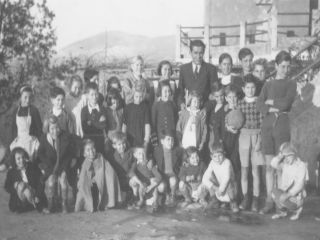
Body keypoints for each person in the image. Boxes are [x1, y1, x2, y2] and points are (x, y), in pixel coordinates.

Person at [257, 51, 297, 214]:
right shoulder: (268, 84)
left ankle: (280, 202)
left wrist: (271, 103)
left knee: (280, 167)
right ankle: (268, 201)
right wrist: (272, 107)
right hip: (267, 127)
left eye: (288, 67)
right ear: (276, 66)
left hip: (282, 127)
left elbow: (286, 104)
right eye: (282, 66)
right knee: (268, 167)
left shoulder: (291, 83)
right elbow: (260, 104)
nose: (285, 70)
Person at [38, 116, 77, 213]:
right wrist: (47, 164)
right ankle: (52, 203)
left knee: (63, 179)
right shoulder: (44, 138)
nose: (55, 131)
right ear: (47, 129)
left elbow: (70, 153)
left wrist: (65, 166)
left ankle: (64, 203)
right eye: (52, 128)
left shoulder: (65, 136)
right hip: (51, 165)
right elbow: (40, 153)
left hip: (63, 164)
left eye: (57, 127)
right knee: (51, 181)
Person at [238, 76, 264, 212]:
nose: (250, 90)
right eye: (247, 87)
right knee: (244, 169)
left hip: (256, 137)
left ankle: (255, 198)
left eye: (253, 87)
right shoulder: (240, 103)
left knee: (255, 170)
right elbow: (234, 119)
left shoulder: (260, 102)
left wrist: (260, 140)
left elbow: (263, 123)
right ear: (243, 89)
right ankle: (245, 197)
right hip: (243, 137)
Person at [75, 139, 122, 212]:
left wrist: (99, 179)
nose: (91, 151)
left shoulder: (101, 158)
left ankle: (107, 202)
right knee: (83, 188)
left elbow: (109, 172)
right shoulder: (85, 163)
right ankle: (89, 204)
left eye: (93, 148)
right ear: (84, 154)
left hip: (101, 185)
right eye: (88, 150)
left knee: (107, 178)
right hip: (91, 186)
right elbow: (82, 179)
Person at [270, 142, 308, 221]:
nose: (286, 159)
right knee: (273, 192)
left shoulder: (301, 165)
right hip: (286, 193)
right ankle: (283, 212)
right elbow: (273, 164)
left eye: (288, 156)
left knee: (286, 199)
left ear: (294, 154)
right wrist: (280, 155)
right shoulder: (285, 165)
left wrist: (288, 195)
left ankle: (297, 210)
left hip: (297, 196)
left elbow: (300, 185)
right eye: (284, 157)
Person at [178, 40, 218, 110]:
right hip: (188, 109)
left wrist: (205, 109)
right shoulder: (183, 69)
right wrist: (181, 103)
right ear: (190, 52)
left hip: (205, 110)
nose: (198, 56)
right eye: (195, 53)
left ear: (204, 52)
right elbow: (180, 91)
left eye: (201, 53)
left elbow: (215, 93)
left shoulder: (211, 69)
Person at [4, 147, 46, 213]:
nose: (21, 160)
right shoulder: (11, 172)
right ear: (14, 160)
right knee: (20, 185)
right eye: (18, 159)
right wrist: (15, 186)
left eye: (23, 157)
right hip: (19, 199)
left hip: (34, 194)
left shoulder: (33, 167)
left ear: (25, 157)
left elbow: (41, 182)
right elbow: (7, 187)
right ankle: (32, 205)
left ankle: (35, 204)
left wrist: (37, 195)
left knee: (25, 189)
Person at [200, 144, 239, 212]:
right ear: (211, 156)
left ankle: (233, 202)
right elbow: (204, 178)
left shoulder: (227, 162)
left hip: (231, 188)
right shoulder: (212, 163)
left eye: (220, 155)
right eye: (215, 156)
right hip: (219, 188)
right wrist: (215, 188)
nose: (217, 159)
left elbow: (226, 178)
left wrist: (220, 190)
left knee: (228, 180)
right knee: (209, 177)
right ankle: (214, 199)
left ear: (224, 154)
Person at [9, 85, 41, 163]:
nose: (27, 100)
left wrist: (35, 136)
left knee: (29, 161)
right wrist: (14, 139)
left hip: (31, 140)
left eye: (30, 97)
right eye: (25, 97)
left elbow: (39, 128)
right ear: (20, 97)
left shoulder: (34, 110)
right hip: (19, 140)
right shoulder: (16, 110)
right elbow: (13, 128)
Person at [153, 129, 183, 206]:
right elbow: (152, 160)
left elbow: (183, 160)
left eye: (172, 140)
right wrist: (151, 161)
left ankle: (172, 196)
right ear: (162, 141)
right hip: (162, 175)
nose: (170, 142)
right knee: (161, 187)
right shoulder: (157, 150)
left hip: (173, 175)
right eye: (168, 139)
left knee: (173, 180)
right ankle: (166, 195)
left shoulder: (177, 150)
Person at [130, 147, 165, 211]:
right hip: (143, 183)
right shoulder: (135, 164)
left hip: (151, 182)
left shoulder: (149, 164)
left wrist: (152, 186)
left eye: (143, 153)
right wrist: (140, 183)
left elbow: (159, 176)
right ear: (135, 155)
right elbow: (131, 172)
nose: (142, 156)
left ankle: (155, 201)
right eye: (139, 154)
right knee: (141, 186)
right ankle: (141, 200)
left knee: (154, 183)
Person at [109, 132, 136, 206]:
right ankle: (124, 196)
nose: (122, 146)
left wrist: (131, 171)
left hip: (128, 177)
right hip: (119, 180)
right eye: (119, 144)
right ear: (114, 146)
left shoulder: (129, 153)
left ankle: (134, 196)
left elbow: (134, 163)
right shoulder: (113, 156)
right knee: (121, 201)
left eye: (123, 143)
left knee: (134, 183)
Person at [81, 82, 108, 153]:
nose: (94, 97)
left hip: (100, 140)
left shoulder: (102, 109)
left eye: (96, 94)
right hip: (88, 141)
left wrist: (91, 123)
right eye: (92, 94)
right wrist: (98, 122)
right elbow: (85, 128)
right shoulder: (84, 110)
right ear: (87, 95)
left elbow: (103, 125)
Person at [123, 85, 151, 149]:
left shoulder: (145, 108)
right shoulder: (127, 108)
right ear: (133, 96)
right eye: (136, 96)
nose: (138, 99)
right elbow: (124, 125)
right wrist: (123, 138)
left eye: (140, 97)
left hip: (141, 138)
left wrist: (146, 140)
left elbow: (147, 125)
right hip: (129, 138)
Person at [105, 88, 124, 154]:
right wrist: (106, 138)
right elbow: (104, 126)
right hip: (110, 137)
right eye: (113, 103)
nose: (115, 105)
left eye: (117, 102)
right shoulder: (106, 110)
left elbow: (123, 124)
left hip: (120, 137)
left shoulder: (121, 110)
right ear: (109, 101)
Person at [208, 82, 225, 147]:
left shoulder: (226, 106)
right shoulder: (212, 105)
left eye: (221, 95)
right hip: (210, 134)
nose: (220, 98)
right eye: (217, 96)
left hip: (220, 136)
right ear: (213, 96)